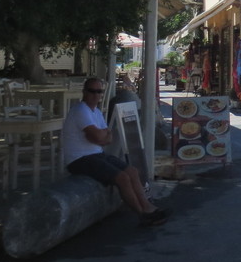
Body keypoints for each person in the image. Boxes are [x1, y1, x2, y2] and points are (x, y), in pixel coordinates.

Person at [64, 77, 168, 226]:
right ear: (84, 92)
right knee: (122, 178)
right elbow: (97, 136)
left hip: (97, 154)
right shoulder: (80, 110)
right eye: (92, 91)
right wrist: (99, 137)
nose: (95, 95)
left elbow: (108, 137)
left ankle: (148, 207)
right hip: (79, 159)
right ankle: (142, 214)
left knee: (132, 171)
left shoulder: (96, 112)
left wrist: (100, 137)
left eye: (99, 92)